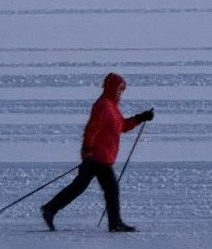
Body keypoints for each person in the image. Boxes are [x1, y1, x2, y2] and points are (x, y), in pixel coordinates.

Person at [41, 72, 154, 232]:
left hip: (103, 157)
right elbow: (91, 128)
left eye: (122, 90)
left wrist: (140, 118)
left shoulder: (112, 107)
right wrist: (87, 149)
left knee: (81, 187)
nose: (120, 92)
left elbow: (122, 126)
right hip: (96, 157)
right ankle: (115, 224)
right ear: (111, 88)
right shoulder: (102, 105)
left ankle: (50, 209)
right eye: (119, 89)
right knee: (109, 189)